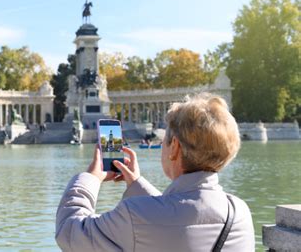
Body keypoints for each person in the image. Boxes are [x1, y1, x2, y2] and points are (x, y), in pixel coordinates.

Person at [56, 93, 255, 251]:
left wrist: (91, 177)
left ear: (175, 147)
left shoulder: (135, 215)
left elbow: (69, 231)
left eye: (164, 141)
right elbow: (180, 216)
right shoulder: (240, 212)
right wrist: (136, 183)